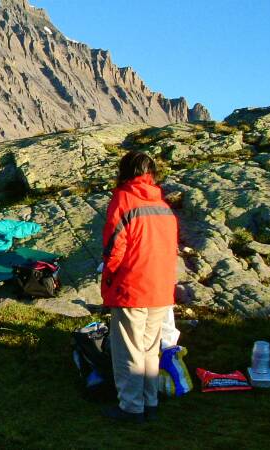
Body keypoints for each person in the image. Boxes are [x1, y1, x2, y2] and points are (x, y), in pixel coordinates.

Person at [100, 151, 178, 423]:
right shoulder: (162, 205)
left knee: (129, 350)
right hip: (160, 288)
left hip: (132, 286)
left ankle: (131, 407)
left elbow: (114, 247)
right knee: (149, 348)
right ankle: (150, 401)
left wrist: (109, 274)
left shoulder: (123, 199)